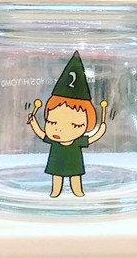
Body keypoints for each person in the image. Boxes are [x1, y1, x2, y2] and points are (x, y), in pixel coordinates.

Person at [27, 51, 107, 198]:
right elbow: (41, 133)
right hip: (57, 161)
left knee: (75, 176)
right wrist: (33, 122)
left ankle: (78, 191)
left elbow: (93, 138)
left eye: (75, 125)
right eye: (52, 122)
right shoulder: (54, 139)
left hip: (74, 162)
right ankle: (55, 191)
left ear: (87, 125)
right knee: (56, 175)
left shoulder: (78, 141)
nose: (59, 129)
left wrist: (101, 128)